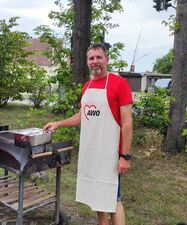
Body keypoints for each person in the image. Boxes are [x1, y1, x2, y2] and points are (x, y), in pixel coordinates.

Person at [43, 44, 133, 225]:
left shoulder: (119, 84)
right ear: (87, 62)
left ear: (106, 59)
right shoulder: (87, 86)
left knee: (113, 199)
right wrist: (58, 123)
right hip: (91, 151)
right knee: (97, 195)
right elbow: (82, 115)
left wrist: (125, 156)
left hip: (110, 153)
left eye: (99, 57)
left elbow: (127, 123)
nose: (95, 61)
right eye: (91, 58)